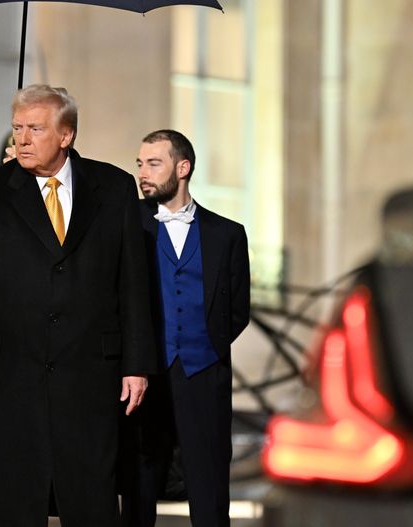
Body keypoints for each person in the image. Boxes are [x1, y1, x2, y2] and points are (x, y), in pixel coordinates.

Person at [0, 84, 156, 526]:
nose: (22, 139)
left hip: (87, 375)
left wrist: (136, 363)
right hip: (9, 374)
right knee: (8, 501)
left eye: (35, 129)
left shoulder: (114, 187)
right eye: (17, 128)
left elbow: (133, 281)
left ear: (66, 136)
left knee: (87, 501)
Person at [121, 130, 250, 527]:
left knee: (209, 484)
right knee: (139, 485)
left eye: (153, 163)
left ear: (183, 167)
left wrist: (205, 346)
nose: (143, 172)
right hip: (143, 373)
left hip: (204, 373)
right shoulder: (129, 225)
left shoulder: (227, 234)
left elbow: (237, 310)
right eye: (140, 163)